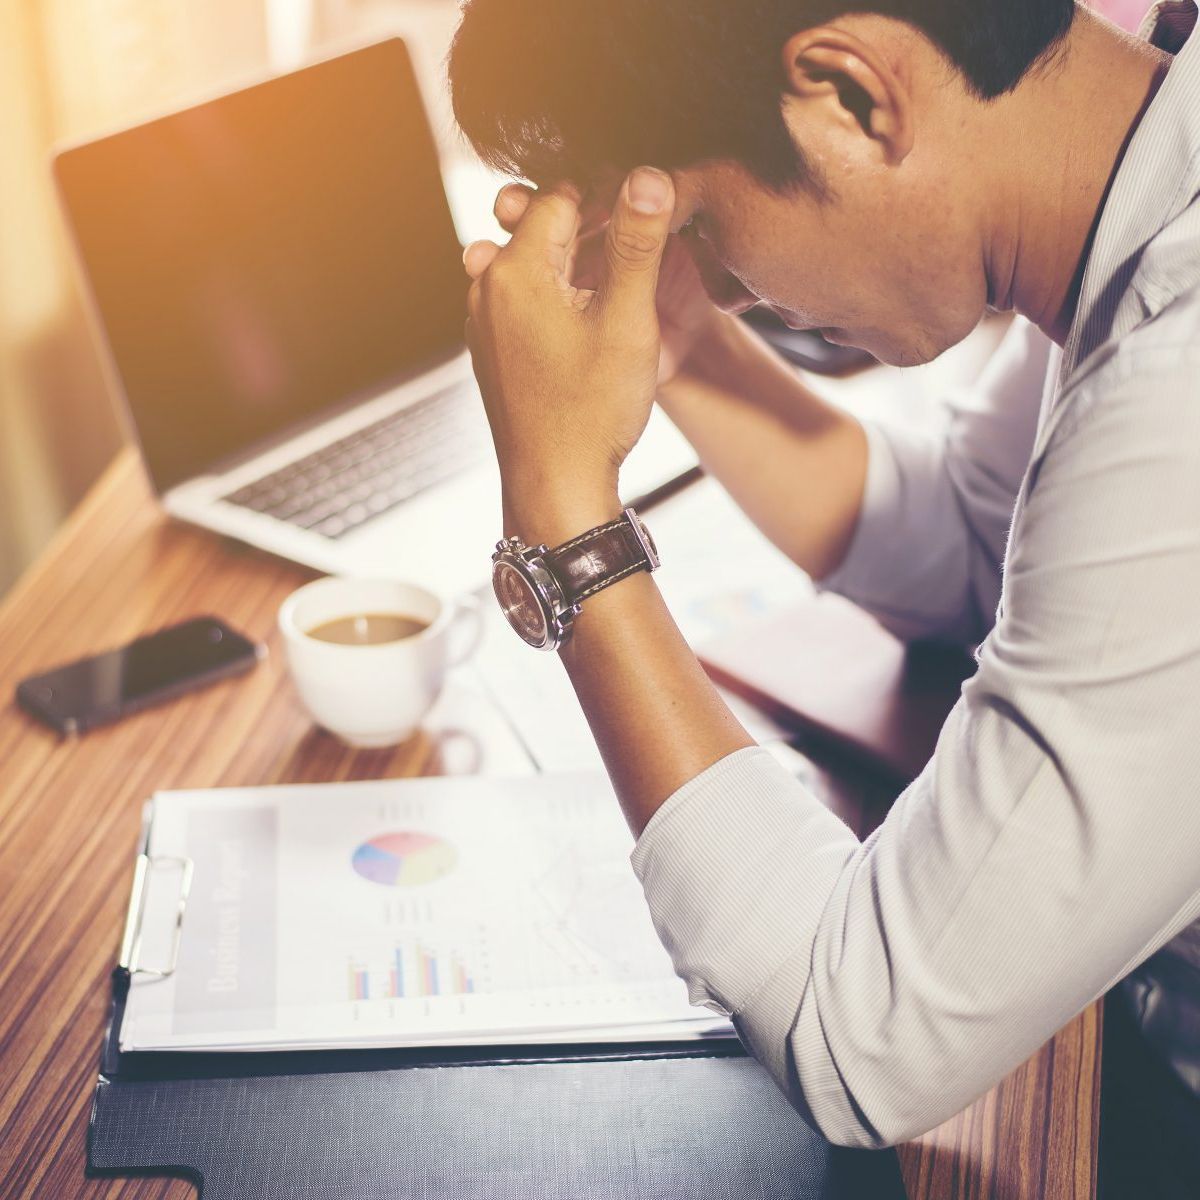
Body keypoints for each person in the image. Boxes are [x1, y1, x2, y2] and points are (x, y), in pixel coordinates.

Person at [448, 0, 1200, 1189]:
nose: (724, 283)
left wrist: (561, 511)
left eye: (697, 226)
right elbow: (972, 539)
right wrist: (679, 339)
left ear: (856, 96)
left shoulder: (1179, 394)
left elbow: (866, 1035)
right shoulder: (1142, 154)